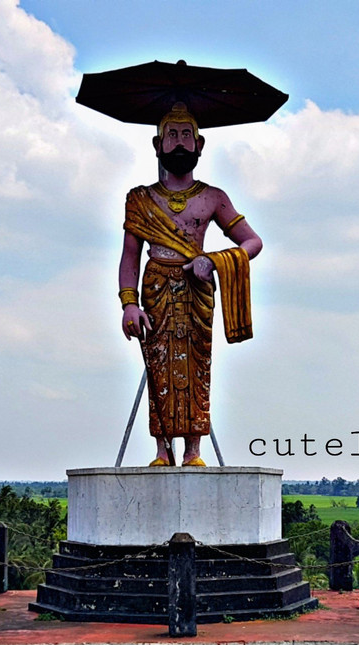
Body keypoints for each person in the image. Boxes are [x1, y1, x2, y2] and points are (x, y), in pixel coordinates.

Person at [119, 103, 262, 466]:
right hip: (155, 289)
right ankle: (162, 449)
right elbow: (131, 255)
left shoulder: (213, 197)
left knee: (197, 364)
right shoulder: (140, 199)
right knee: (159, 365)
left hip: (196, 289)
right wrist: (129, 304)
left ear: (200, 144)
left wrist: (213, 260)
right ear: (157, 144)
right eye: (172, 135)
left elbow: (252, 241)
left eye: (186, 136)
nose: (179, 143)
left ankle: (194, 450)